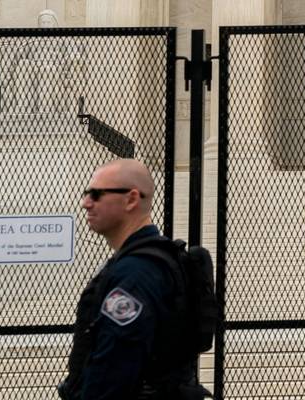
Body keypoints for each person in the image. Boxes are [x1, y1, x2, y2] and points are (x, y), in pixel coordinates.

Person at [59, 159, 209, 399]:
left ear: (131, 199)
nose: (86, 203)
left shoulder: (135, 276)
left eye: (97, 195)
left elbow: (112, 373)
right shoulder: (161, 260)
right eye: (87, 194)